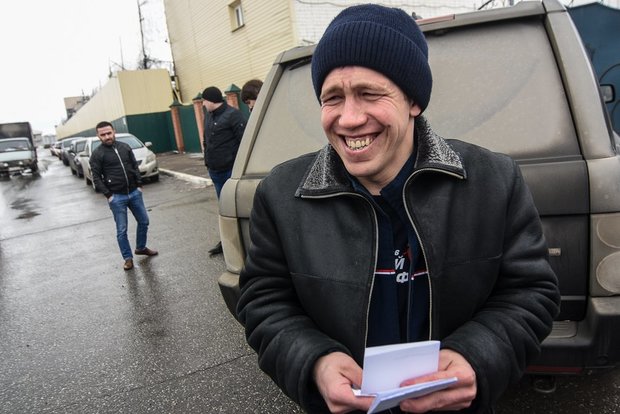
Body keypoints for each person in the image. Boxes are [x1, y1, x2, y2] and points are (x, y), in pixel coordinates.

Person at [237, 5, 560, 414]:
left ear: (413, 101)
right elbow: (264, 301)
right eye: (332, 98)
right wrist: (315, 361)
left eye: (370, 94)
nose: (349, 118)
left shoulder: (492, 182)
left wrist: (476, 355)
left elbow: (530, 293)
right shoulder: (282, 195)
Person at [90, 121, 158, 270]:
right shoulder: (97, 154)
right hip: (116, 197)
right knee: (122, 230)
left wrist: (139, 185)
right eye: (103, 135)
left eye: (109, 133)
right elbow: (96, 177)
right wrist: (109, 195)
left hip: (134, 192)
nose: (107, 137)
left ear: (114, 131)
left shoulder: (125, 147)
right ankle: (128, 259)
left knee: (144, 221)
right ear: (98, 136)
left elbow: (134, 166)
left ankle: (141, 247)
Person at [202, 86, 248, 256]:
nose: (203, 104)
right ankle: (227, 242)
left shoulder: (233, 115)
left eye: (204, 100)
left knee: (236, 207)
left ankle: (244, 242)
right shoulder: (209, 116)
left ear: (210, 100)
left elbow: (244, 142)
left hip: (230, 171)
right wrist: (207, 161)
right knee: (224, 208)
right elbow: (206, 140)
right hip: (215, 171)